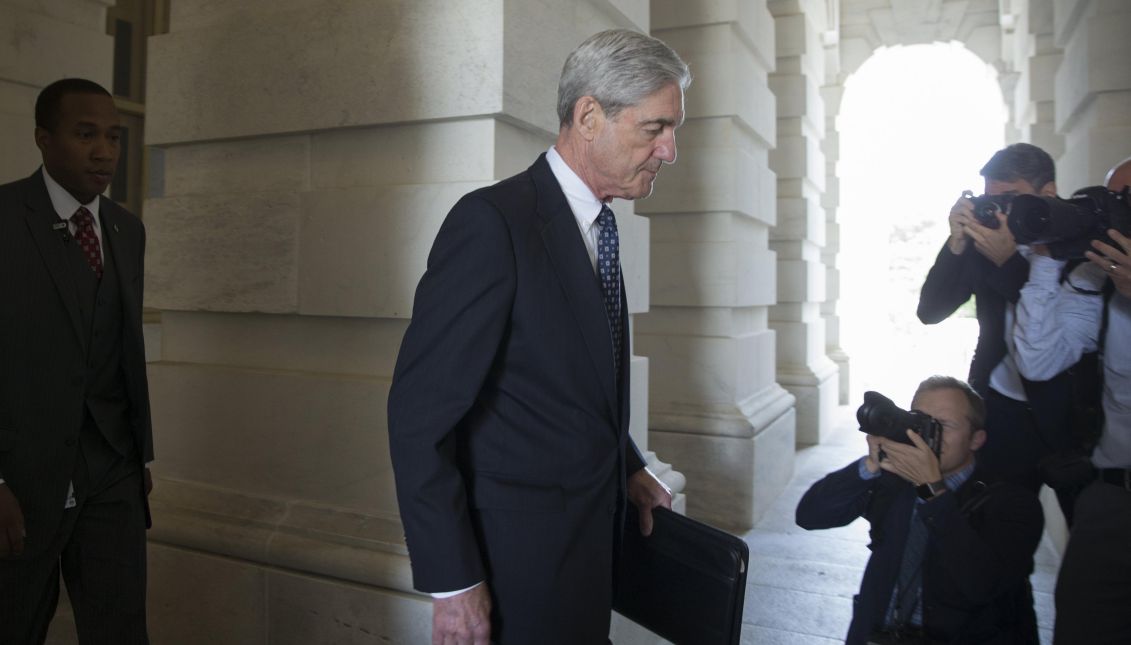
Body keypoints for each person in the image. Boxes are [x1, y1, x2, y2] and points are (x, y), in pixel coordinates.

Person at [386, 30, 690, 645]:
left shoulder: (602, 226)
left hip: (587, 559)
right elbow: (419, 419)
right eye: (655, 128)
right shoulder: (492, 224)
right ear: (588, 116)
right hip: (514, 573)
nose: (671, 151)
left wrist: (627, 466)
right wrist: (454, 583)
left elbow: (565, 385)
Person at [0, 78, 154, 644]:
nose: (104, 151)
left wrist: (137, 458)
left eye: (113, 137)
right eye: (85, 134)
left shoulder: (126, 230)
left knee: (121, 630)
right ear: (44, 139)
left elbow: (120, 354)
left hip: (112, 471)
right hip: (20, 479)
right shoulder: (3, 217)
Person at [796, 376, 1043, 645]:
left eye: (945, 425)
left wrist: (931, 490)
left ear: (976, 439)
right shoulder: (894, 481)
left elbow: (982, 585)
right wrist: (868, 466)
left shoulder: (1013, 502)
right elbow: (810, 515)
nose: (930, 434)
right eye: (920, 420)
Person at [1009, 157, 1131, 643]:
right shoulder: (1094, 281)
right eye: (1110, 199)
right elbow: (1039, 361)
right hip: (1111, 496)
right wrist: (1048, 254)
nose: (1114, 211)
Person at [917, 144, 1071, 499]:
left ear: (1047, 193)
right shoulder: (986, 242)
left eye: (1010, 198)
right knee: (1000, 529)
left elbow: (1059, 327)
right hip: (1001, 410)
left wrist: (1009, 264)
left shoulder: (1076, 239)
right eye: (992, 200)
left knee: (1090, 541)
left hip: (1068, 418)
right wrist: (956, 242)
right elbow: (930, 312)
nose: (1000, 211)